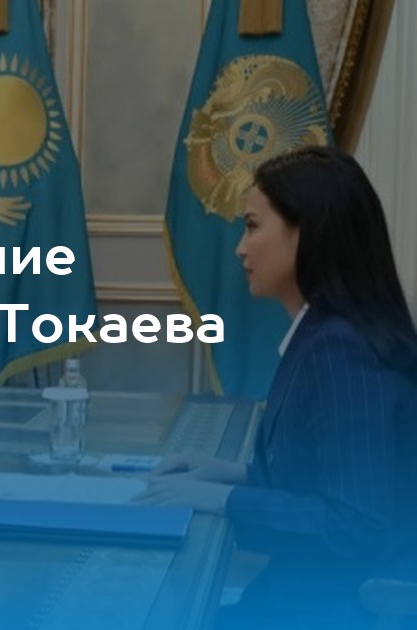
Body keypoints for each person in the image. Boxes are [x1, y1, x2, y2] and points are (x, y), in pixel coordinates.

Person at [136, 146, 417, 627]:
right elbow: (327, 475)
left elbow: (356, 524)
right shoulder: (324, 335)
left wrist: (222, 500)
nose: (240, 249)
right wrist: (231, 475)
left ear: (307, 232)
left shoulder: (339, 349)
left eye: (252, 226)